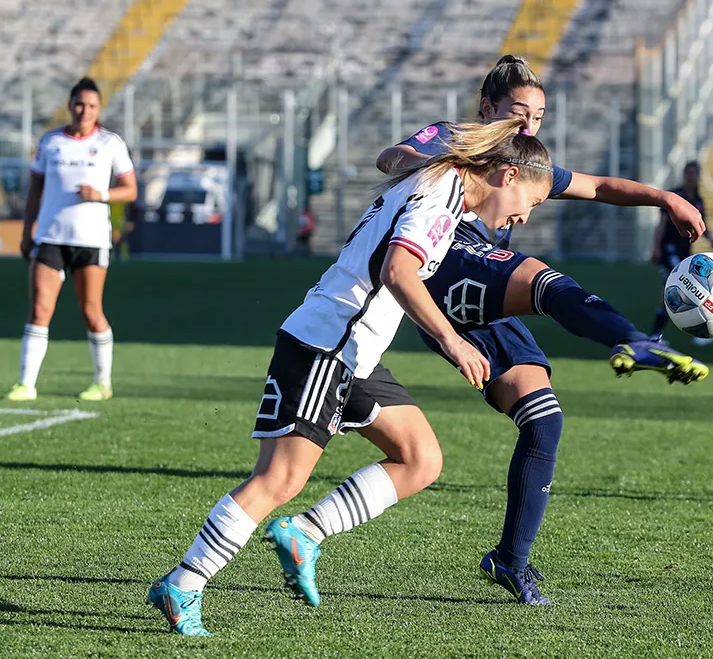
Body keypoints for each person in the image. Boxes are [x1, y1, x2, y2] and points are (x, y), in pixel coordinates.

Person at [147, 119, 553, 636]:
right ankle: (184, 582)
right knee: (280, 478)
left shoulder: (441, 181)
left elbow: (397, 169)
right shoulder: (442, 199)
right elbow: (398, 272)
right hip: (328, 345)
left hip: (355, 352)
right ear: (507, 175)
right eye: (531, 202)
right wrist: (452, 340)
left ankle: (306, 533)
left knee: (419, 458)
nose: (524, 215)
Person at [373, 55, 709, 604]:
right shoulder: (456, 140)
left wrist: (665, 198)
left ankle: (510, 561)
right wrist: (426, 156)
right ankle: (633, 339)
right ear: (488, 109)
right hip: (442, 269)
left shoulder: (521, 163)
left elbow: (598, 186)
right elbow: (390, 156)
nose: (529, 127)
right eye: (519, 113)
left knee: (544, 420)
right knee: (544, 284)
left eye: (539, 116)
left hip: (482, 294)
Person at [6, 78, 137, 402]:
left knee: (91, 311)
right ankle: (26, 384)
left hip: (91, 240)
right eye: (79, 104)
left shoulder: (110, 143)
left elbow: (131, 189)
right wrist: (27, 231)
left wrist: (101, 194)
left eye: (91, 106)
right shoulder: (51, 142)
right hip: (51, 237)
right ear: (70, 105)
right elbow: (35, 190)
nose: (84, 111)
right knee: (39, 309)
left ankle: (102, 382)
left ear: (99, 109)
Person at [649, 160, 713, 343]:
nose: (691, 177)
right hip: (669, 249)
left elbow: (702, 224)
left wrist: (710, 238)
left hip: (684, 251)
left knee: (678, 289)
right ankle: (657, 334)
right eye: (688, 173)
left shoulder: (699, 200)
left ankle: (661, 333)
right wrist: (656, 247)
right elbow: (662, 224)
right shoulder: (676, 196)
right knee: (680, 288)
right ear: (684, 175)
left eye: (694, 173)